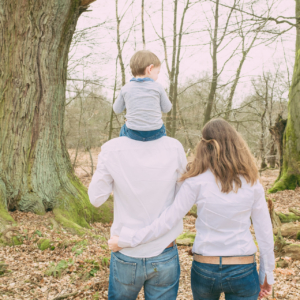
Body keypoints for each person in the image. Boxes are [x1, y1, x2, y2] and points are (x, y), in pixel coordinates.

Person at [108, 118, 275, 300]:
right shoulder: (252, 183)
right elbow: (265, 234)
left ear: (204, 147)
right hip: (242, 268)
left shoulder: (196, 182)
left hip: (205, 268)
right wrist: (267, 275)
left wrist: (127, 240)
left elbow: (166, 221)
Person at [88, 129, 187, 298]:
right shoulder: (174, 148)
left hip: (126, 251)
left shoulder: (113, 149)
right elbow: (181, 202)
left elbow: (96, 198)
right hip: (162, 249)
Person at [113, 50, 172, 141]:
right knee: (161, 126)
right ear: (150, 69)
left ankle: (123, 147)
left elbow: (117, 109)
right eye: (157, 72)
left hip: (133, 133)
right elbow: (167, 108)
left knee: (124, 128)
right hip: (156, 132)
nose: (157, 76)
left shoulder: (126, 88)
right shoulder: (158, 87)